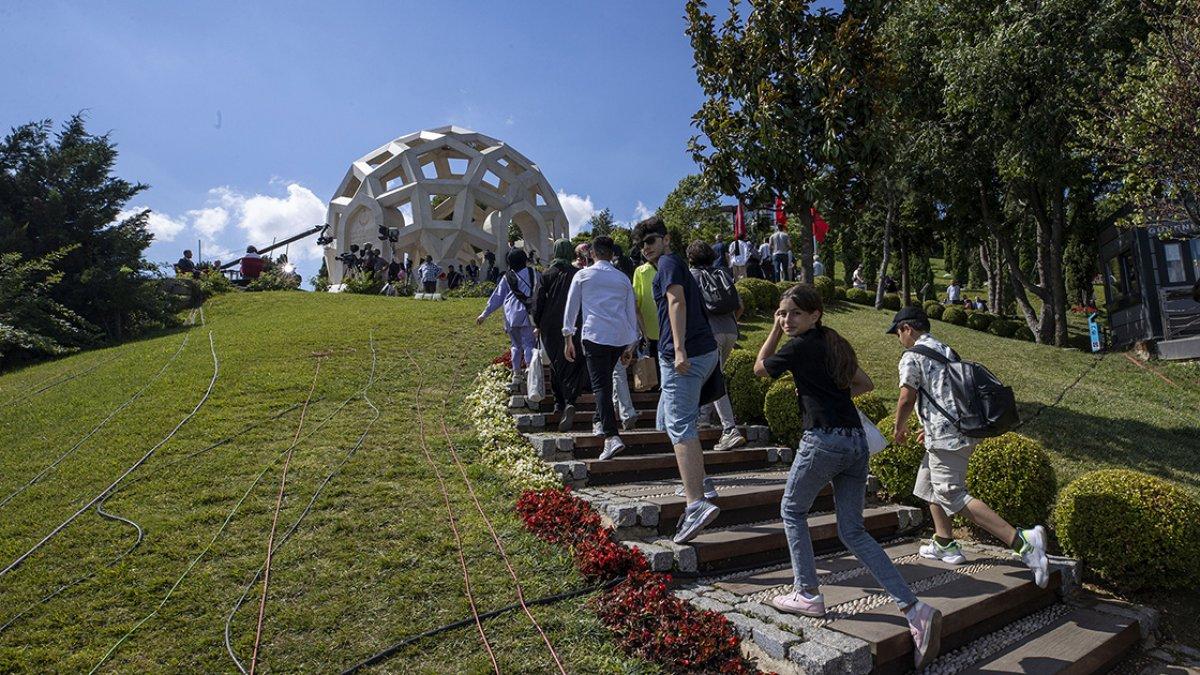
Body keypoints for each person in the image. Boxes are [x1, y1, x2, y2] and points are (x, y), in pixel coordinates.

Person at [754, 286, 945, 670]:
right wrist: (820, 389)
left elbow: (760, 368)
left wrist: (773, 332)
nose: (786, 319)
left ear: (814, 314)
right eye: (781, 314)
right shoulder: (834, 342)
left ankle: (807, 592)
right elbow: (864, 384)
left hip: (823, 440)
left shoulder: (800, 344)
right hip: (856, 443)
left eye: (792, 313)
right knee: (853, 531)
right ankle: (914, 608)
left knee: (791, 510)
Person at [887, 306, 1050, 589]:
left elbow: (906, 397)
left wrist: (899, 428)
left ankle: (1023, 542)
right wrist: (928, 427)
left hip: (946, 436)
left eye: (898, 333)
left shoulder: (912, 356)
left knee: (950, 492)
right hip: (959, 429)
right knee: (928, 485)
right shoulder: (944, 350)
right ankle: (944, 543)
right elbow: (946, 392)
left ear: (907, 329)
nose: (898, 339)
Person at [633, 216, 722, 544]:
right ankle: (702, 482)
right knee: (665, 422)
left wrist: (680, 349)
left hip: (684, 355)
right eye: (642, 244)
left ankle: (695, 503)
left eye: (651, 241)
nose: (647, 248)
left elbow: (676, 301)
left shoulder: (669, 262)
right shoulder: (669, 265)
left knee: (681, 426)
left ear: (666, 239)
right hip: (692, 353)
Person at [562, 236, 639, 460]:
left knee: (601, 386)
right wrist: (631, 344)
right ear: (612, 253)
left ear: (592, 253)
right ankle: (599, 421)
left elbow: (571, 308)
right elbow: (630, 311)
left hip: (595, 335)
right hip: (618, 337)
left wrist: (568, 337)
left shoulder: (583, 275)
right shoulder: (623, 278)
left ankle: (611, 436)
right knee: (605, 381)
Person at [686, 241, 747, 452]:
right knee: (711, 375)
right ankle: (703, 417)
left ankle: (730, 429)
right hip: (730, 330)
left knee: (714, 379)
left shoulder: (691, 276)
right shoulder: (722, 273)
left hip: (708, 334)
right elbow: (740, 306)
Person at [534, 238, 588, 432]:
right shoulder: (579, 274)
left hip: (551, 324)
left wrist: (538, 323)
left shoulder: (547, 274)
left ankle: (559, 403)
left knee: (557, 363)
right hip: (574, 322)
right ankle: (570, 400)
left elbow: (538, 300)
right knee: (574, 360)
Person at [478, 249, 541, 387]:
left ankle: (516, 374)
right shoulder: (533, 273)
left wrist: (484, 314)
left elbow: (497, 297)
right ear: (525, 260)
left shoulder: (507, 277)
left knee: (515, 346)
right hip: (528, 314)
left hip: (511, 315)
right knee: (529, 344)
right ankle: (530, 373)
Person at [633, 256, 660, 378]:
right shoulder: (667, 268)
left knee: (650, 356)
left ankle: (653, 384)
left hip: (647, 322)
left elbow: (636, 301)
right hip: (667, 323)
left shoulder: (640, 271)